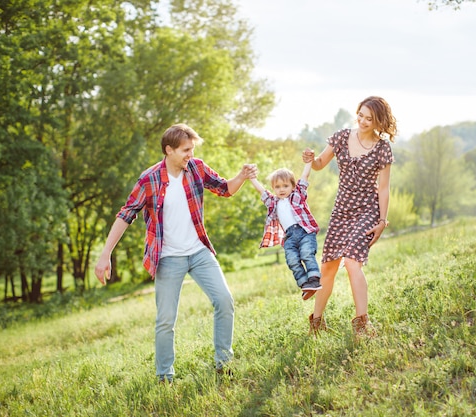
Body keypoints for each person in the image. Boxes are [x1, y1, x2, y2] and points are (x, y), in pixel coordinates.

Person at [94, 123, 256, 383]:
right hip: (168, 258)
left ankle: (223, 363)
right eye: (185, 150)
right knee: (166, 320)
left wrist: (242, 175)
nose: (190, 155)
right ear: (168, 150)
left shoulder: (197, 168)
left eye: (192, 149)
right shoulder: (150, 179)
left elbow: (225, 189)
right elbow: (125, 215)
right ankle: (165, 376)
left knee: (224, 300)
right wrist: (105, 255)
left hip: (199, 251)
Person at [302, 96, 396, 338]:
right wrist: (311, 159)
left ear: (379, 121)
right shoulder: (342, 137)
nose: (363, 121)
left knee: (353, 261)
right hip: (341, 210)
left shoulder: (383, 148)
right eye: (361, 115)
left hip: (367, 209)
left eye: (370, 118)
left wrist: (382, 221)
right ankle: (317, 322)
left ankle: (362, 323)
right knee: (329, 267)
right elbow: (321, 163)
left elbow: (384, 188)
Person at [249, 162, 322, 300]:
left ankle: (314, 279)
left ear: (293, 186)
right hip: (289, 237)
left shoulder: (297, 195)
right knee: (292, 260)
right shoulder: (273, 202)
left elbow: (305, 176)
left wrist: (307, 162)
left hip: (305, 232)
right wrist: (252, 178)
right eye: (277, 187)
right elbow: (261, 191)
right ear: (273, 188)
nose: (281, 189)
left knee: (306, 253)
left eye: (285, 186)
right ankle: (305, 285)